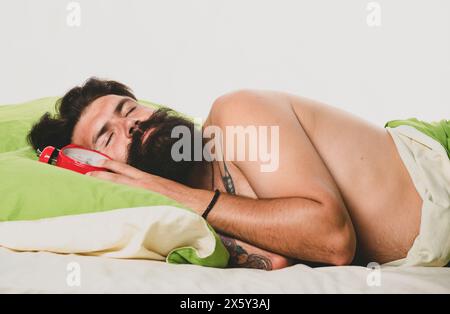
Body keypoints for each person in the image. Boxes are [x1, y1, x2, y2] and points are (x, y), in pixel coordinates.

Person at [28, 77, 450, 270]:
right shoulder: (188, 223)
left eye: (129, 108)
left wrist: (165, 189)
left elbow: (331, 239)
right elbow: (278, 259)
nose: (131, 123)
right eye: (107, 137)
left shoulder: (235, 115)